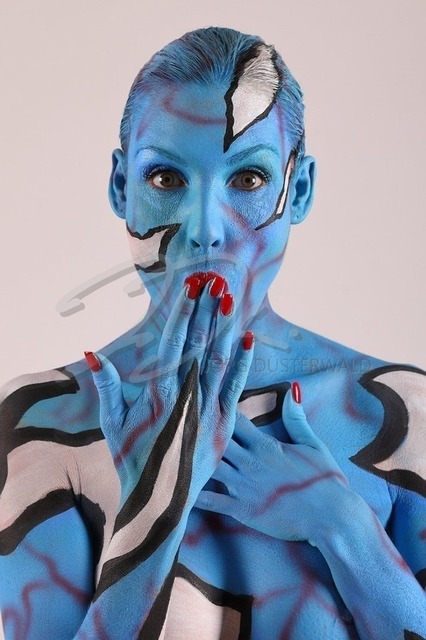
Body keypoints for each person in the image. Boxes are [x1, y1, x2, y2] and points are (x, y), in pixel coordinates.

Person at [0, 26, 425, 640]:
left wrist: (342, 525)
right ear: (121, 187)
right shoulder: (43, 422)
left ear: (298, 189)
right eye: (166, 179)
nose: (205, 229)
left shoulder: (400, 414)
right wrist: (155, 506)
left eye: (248, 180)